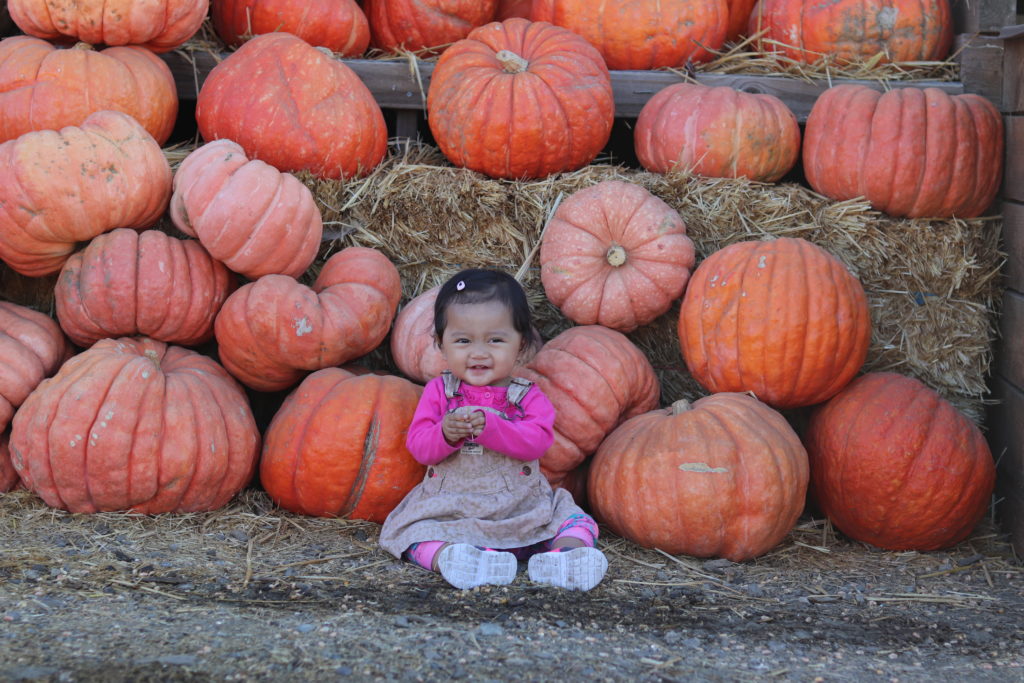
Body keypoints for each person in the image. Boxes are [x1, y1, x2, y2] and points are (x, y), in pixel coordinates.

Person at [379, 268, 607, 591]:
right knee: (411, 532)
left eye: (495, 340)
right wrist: (445, 433)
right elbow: (418, 447)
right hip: (453, 511)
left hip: (521, 509)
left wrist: (493, 427)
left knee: (572, 516)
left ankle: (567, 556)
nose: (479, 352)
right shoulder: (439, 393)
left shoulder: (527, 397)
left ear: (522, 344)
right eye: (463, 341)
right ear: (441, 345)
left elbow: (537, 443)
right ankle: (454, 556)